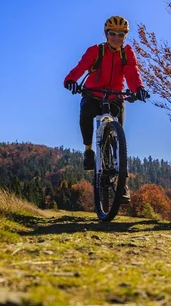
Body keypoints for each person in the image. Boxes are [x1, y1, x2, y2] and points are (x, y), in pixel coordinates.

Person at [64, 15, 149, 203]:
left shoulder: (127, 53)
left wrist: (139, 89)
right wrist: (70, 81)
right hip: (94, 93)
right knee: (86, 110)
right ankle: (88, 149)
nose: (117, 38)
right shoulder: (96, 50)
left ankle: (122, 182)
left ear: (125, 36)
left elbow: (132, 72)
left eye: (121, 34)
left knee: (120, 137)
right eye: (113, 34)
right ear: (106, 34)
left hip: (116, 96)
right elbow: (81, 67)